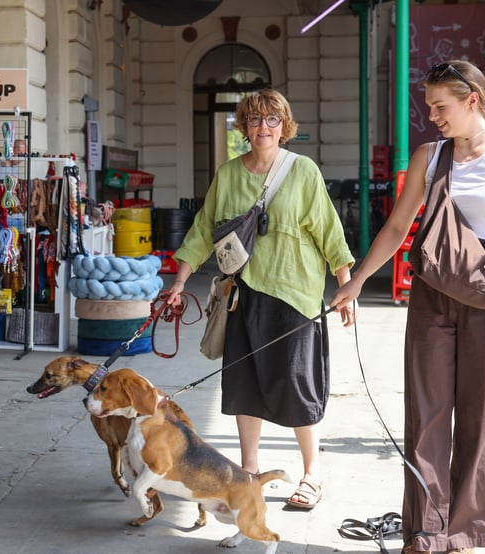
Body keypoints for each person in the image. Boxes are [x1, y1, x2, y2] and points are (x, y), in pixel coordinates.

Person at [330, 60, 485, 553]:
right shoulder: (429, 157)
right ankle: (426, 531)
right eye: (429, 105)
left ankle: (463, 535)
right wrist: (357, 281)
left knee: (482, 420)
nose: (432, 115)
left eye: (441, 106)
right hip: (432, 296)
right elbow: (396, 227)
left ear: (472, 99)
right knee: (426, 417)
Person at [167, 88, 355, 510]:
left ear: (284, 126)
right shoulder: (229, 174)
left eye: (272, 119)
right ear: (244, 126)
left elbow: (328, 229)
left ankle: (311, 475)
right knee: (243, 385)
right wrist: (179, 281)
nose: (263, 127)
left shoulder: (302, 171)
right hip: (243, 294)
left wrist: (346, 285)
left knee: (295, 384)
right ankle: (248, 472)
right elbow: (202, 230)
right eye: (254, 119)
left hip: (295, 295)